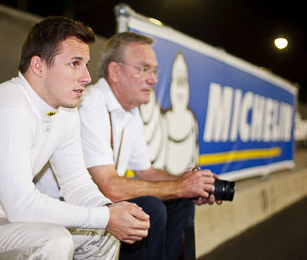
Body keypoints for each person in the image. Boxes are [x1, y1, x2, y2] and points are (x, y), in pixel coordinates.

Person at [0, 17, 150, 260]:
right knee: (51, 240)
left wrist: (110, 211)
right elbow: (21, 205)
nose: (86, 76)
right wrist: (106, 218)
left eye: (85, 64)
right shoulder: (10, 105)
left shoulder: (65, 111)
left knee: (102, 236)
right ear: (38, 66)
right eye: (74, 64)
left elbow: (75, 182)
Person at [79, 32, 220, 260]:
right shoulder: (91, 104)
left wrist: (191, 184)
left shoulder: (130, 111)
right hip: (74, 210)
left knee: (180, 199)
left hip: (100, 203)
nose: (153, 79)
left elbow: (146, 171)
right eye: (144, 69)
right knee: (151, 208)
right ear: (115, 71)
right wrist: (180, 186)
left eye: (154, 71)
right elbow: (110, 188)